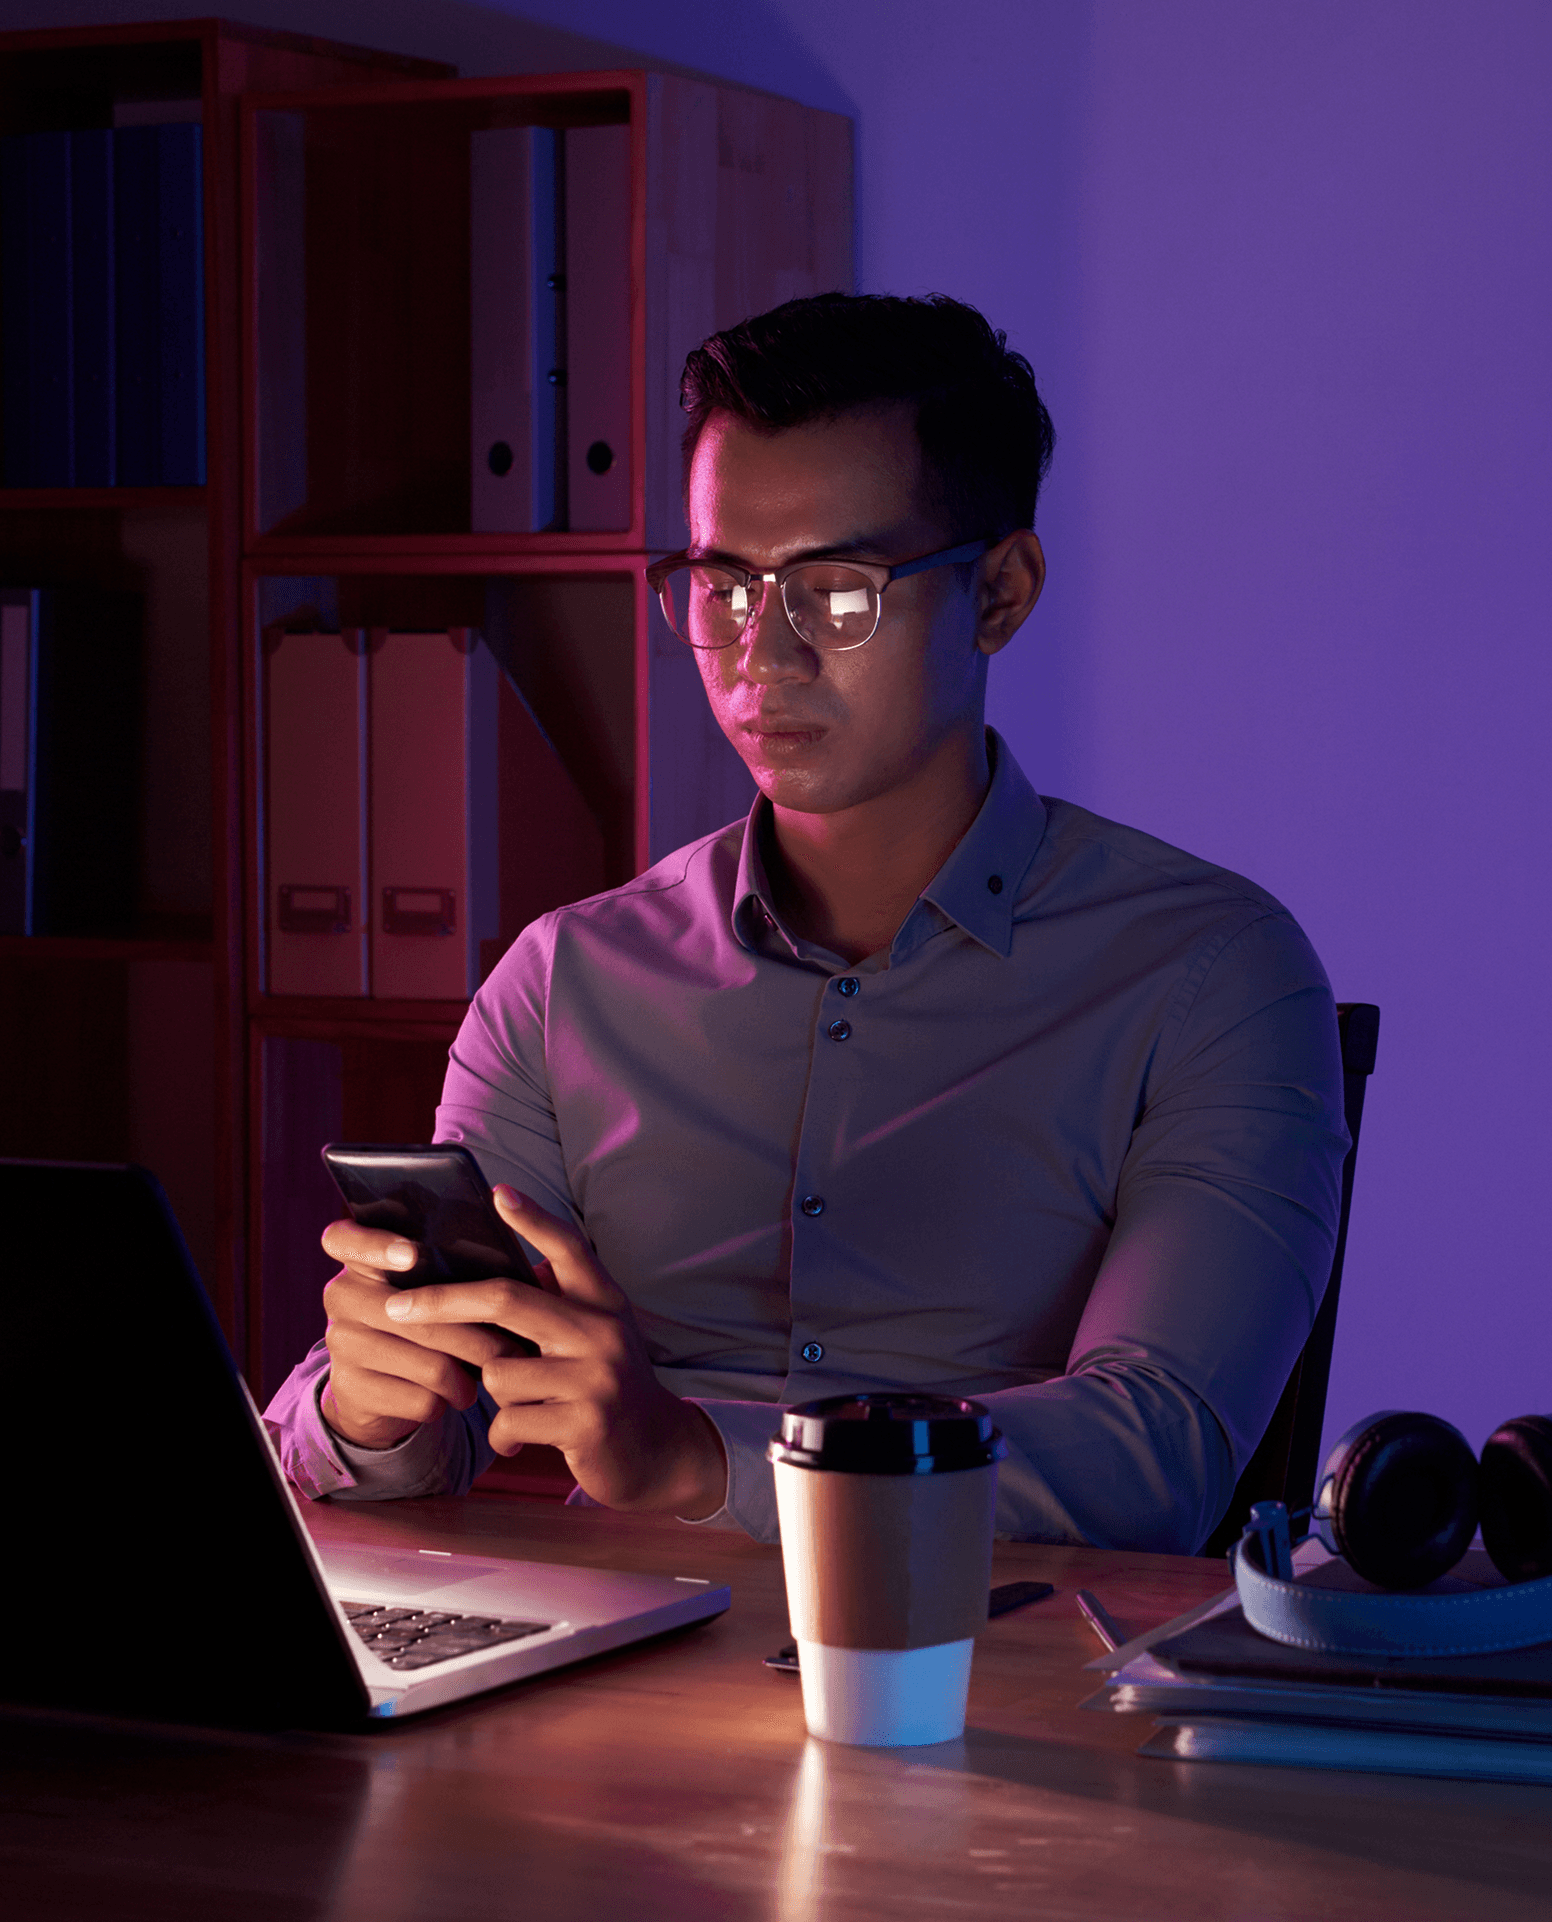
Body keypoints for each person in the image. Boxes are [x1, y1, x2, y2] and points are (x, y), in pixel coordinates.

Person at [268, 292, 1350, 1552]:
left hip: (1000, 1687)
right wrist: (372, 1406)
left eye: (836, 594)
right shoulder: (567, 981)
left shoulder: (1211, 974)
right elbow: (404, 1437)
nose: (763, 655)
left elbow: (1155, 1454)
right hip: (617, 1674)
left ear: (1000, 592)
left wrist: (693, 1458)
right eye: (724, 586)